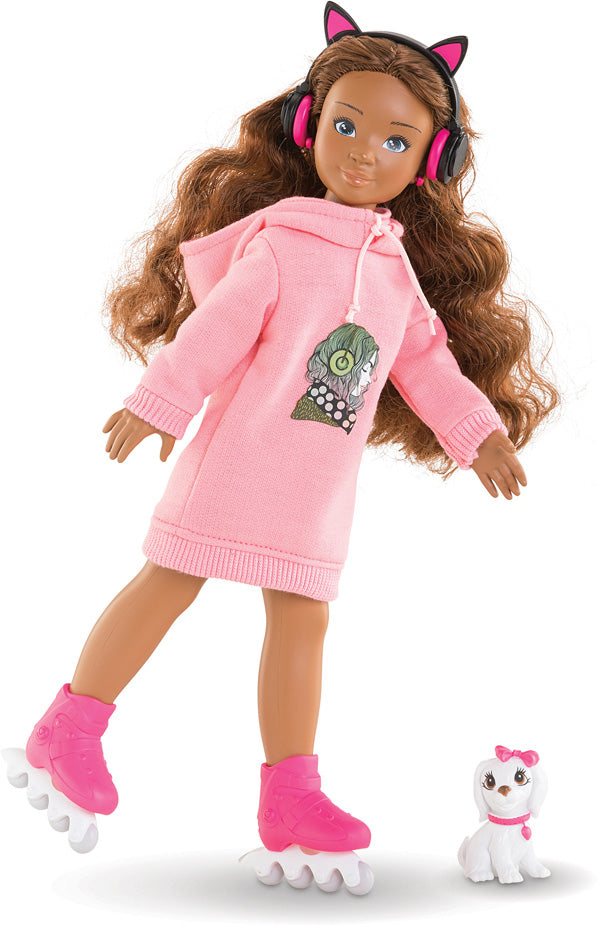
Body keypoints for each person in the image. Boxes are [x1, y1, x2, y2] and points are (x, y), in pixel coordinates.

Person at [5, 2, 558, 891]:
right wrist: (161, 402)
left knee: (303, 618)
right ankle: (67, 728)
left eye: (394, 140)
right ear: (309, 125)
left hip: (314, 489)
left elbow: (426, 360)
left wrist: (477, 434)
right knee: (168, 581)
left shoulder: (393, 269)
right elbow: (215, 330)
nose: (363, 153)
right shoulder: (283, 241)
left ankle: (290, 795)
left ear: (430, 162)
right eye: (346, 125)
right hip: (236, 462)